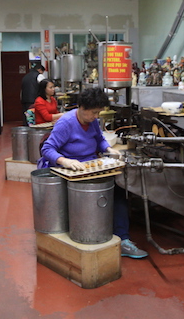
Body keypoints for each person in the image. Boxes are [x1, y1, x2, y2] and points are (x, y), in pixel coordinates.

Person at [41, 88, 148, 259]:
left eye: (99, 113)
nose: (96, 117)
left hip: (91, 166)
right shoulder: (66, 122)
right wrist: (65, 161)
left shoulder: (92, 122)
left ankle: (123, 239)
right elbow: (47, 148)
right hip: (71, 170)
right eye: (94, 113)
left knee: (118, 191)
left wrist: (108, 149)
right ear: (81, 107)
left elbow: (99, 139)